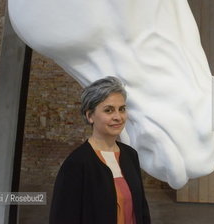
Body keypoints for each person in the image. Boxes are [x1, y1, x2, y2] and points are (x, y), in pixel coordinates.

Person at [49, 77, 151, 224]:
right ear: (90, 115)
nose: (118, 117)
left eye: (122, 109)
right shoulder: (76, 163)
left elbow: (142, 210)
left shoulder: (130, 155)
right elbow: (63, 218)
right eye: (109, 110)